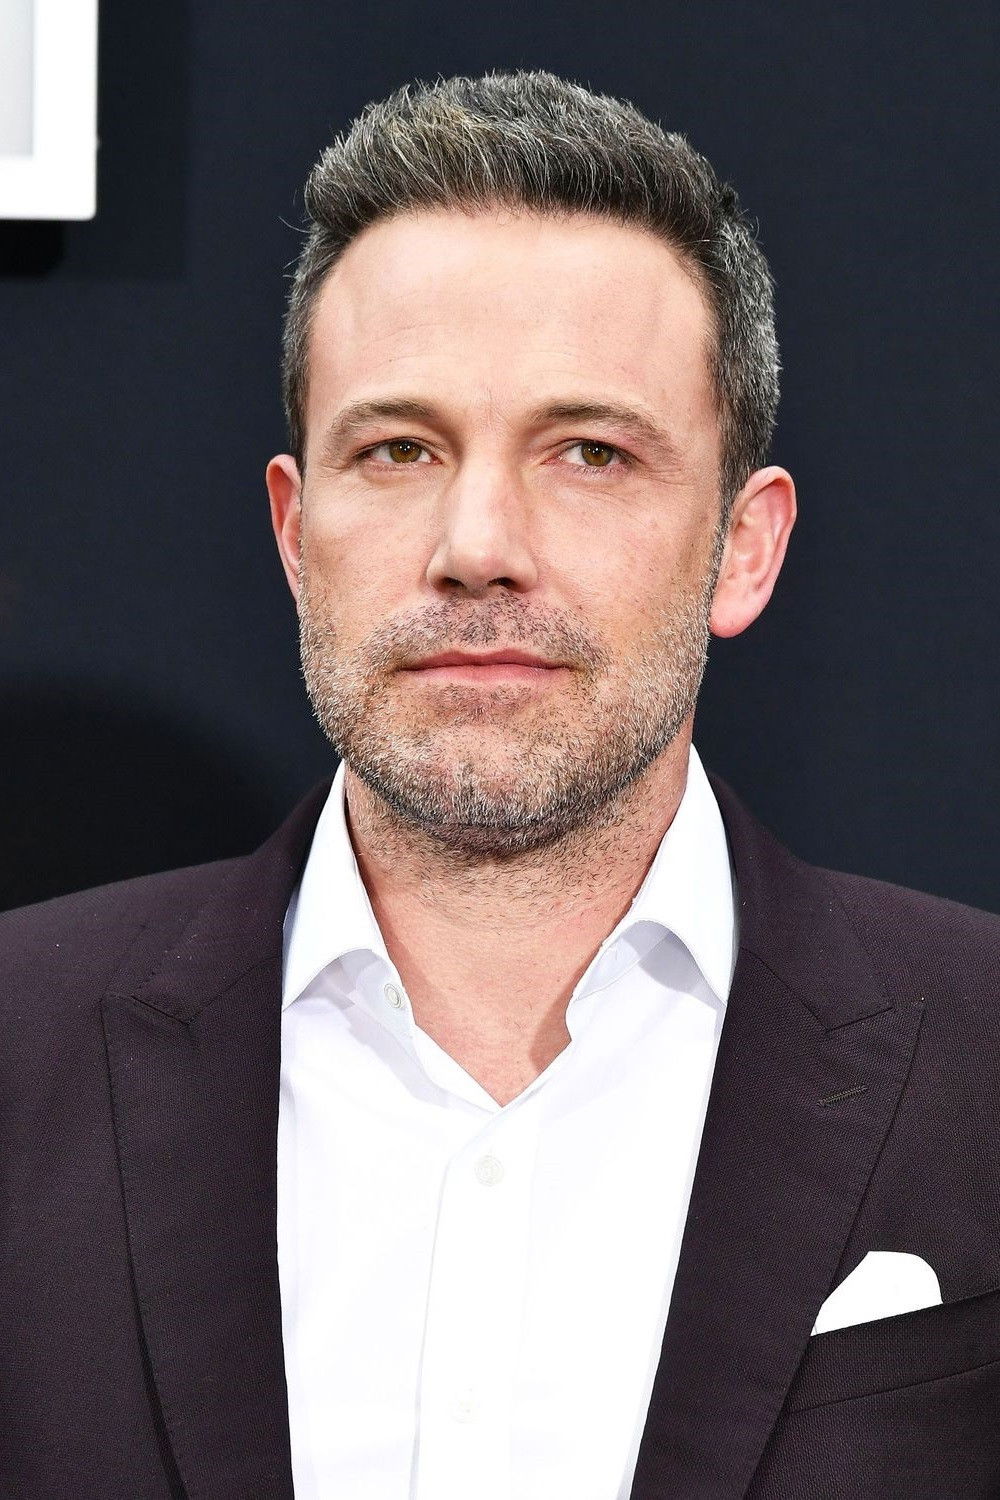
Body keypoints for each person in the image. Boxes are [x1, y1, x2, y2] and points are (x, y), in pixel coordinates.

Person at [2, 68, 999, 1500]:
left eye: (589, 453)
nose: (478, 545)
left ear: (744, 548)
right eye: (399, 450)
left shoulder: (981, 1065)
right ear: (296, 536)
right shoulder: (18, 1051)